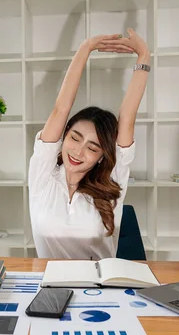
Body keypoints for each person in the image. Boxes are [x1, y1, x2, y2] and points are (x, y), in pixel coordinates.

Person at [28, 28, 150, 260]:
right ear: (64, 136)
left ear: (102, 156)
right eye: (74, 138)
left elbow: (127, 119)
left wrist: (144, 56)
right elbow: (61, 109)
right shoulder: (43, 176)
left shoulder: (111, 180)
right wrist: (85, 48)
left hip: (101, 288)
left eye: (93, 148)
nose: (78, 151)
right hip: (52, 286)